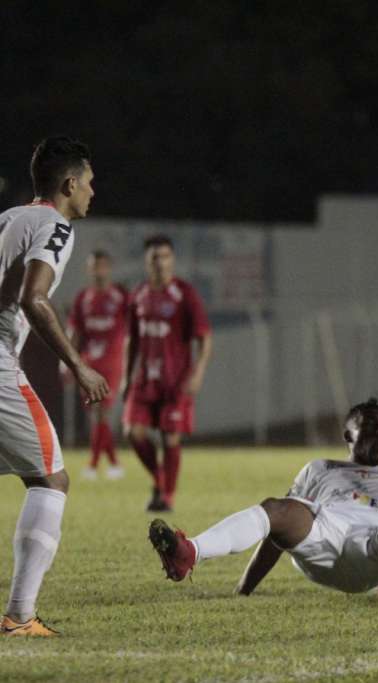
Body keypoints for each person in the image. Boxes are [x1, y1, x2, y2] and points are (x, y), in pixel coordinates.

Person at [148, 398, 378, 603]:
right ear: (349, 435)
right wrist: (245, 588)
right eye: (371, 425)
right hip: (321, 540)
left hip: (373, 550)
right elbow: (276, 529)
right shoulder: (320, 468)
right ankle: (188, 553)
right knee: (275, 506)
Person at [0, 137, 108, 637]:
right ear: (69, 184)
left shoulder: (8, 218)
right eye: (88, 182)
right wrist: (79, 365)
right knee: (51, 480)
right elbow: (34, 298)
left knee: (37, 475)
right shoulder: (55, 226)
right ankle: (20, 617)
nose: (93, 191)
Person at [122, 235, 213, 512]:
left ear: (172, 260)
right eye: (154, 257)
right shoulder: (137, 295)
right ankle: (161, 478)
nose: (160, 262)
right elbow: (132, 340)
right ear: (147, 262)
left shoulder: (184, 294)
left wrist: (197, 373)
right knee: (132, 433)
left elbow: (205, 338)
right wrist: (126, 377)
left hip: (175, 381)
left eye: (165, 257)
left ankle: (167, 496)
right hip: (144, 380)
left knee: (169, 437)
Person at [64, 250, 130, 479]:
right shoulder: (83, 298)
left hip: (112, 361)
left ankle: (94, 465)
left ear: (108, 268)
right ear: (89, 270)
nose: (98, 271)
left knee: (102, 413)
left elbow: (132, 330)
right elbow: (74, 330)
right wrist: (66, 363)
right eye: (94, 266)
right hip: (89, 363)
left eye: (102, 266)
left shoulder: (120, 297)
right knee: (96, 413)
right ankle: (112, 464)